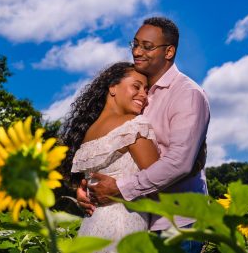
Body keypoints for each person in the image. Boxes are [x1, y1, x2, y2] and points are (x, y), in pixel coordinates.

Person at [77, 17, 210, 253]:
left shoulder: (187, 94)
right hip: (137, 220)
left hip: (176, 223)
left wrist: (120, 188)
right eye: (135, 44)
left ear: (169, 51)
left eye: (147, 46)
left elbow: (179, 163)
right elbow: (114, 155)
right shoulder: (137, 97)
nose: (137, 51)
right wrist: (89, 188)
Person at [60, 62, 160, 252]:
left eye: (146, 90)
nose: (144, 95)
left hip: (92, 227)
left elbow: (88, 185)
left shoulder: (89, 133)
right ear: (113, 87)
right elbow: (161, 184)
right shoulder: (132, 126)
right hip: (124, 227)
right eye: (136, 86)